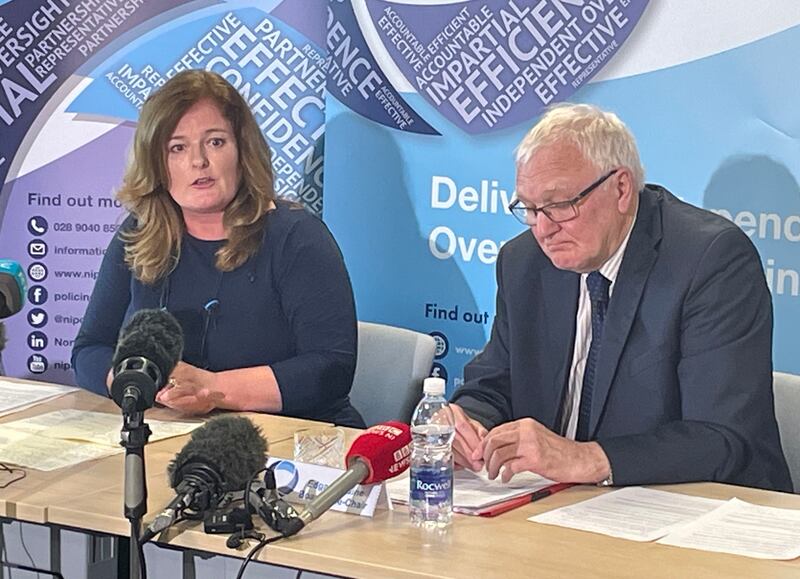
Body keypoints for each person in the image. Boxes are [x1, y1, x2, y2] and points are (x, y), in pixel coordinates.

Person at [450, 104, 791, 492]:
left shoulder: (709, 260)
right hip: (561, 507)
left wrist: (585, 458)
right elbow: (495, 384)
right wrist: (467, 422)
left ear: (622, 189)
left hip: (698, 509)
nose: (544, 229)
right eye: (529, 208)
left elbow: (722, 438)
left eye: (560, 204)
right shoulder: (524, 262)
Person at [72, 70, 364, 427]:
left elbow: (331, 368)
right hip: (176, 436)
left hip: (299, 442)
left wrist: (212, 389)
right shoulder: (139, 234)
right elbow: (89, 350)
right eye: (177, 147)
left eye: (215, 142)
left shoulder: (296, 237)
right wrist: (140, 381)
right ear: (157, 164)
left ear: (242, 151)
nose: (199, 162)